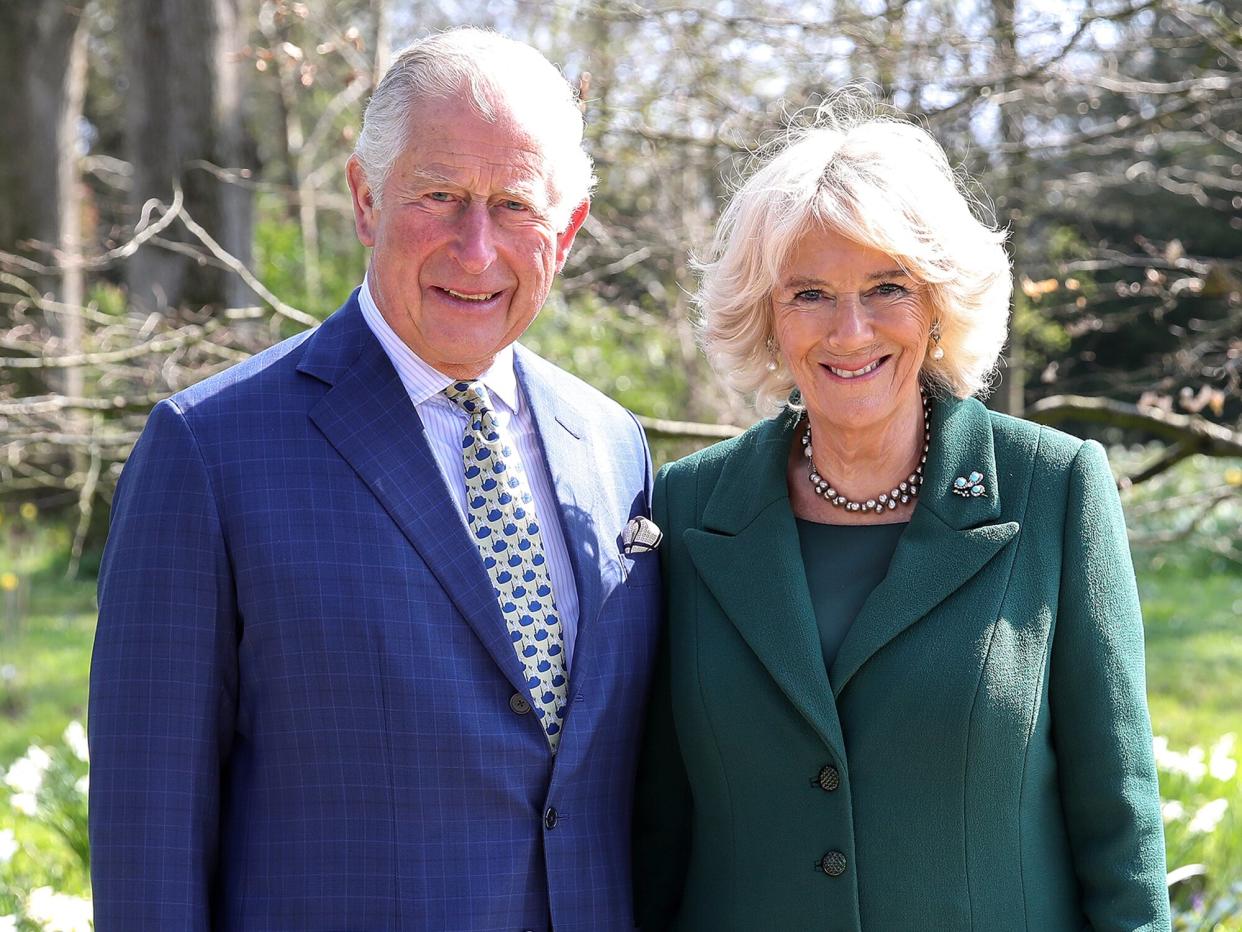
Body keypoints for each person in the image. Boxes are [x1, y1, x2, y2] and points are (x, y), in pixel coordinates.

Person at [89, 28, 662, 931]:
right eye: (440, 196)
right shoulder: (209, 451)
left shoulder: (612, 445)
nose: (477, 249)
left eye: (515, 205)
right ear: (365, 199)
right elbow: (148, 840)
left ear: (569, 229)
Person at [633, 96, 1170, 931]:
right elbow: (658, 823)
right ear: (767, 318)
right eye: (809, 293)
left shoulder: (1054, 489)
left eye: (888, 287)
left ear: (938, 305)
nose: (850, 331)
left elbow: (1119, 825)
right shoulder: (688, 508)